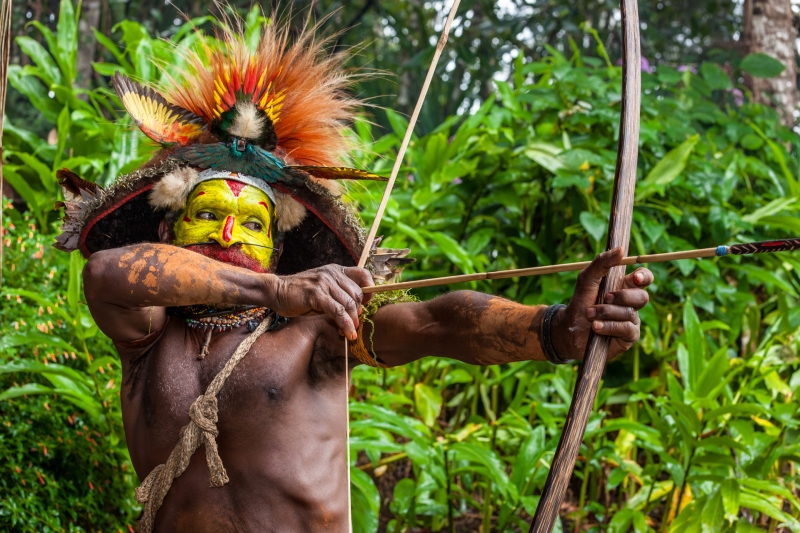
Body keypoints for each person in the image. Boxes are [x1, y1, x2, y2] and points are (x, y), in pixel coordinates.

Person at [56, 14, 653, 533]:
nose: (229, 236)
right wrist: (279, 290)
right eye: (208, 215)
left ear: (275, 244)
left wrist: (556, 329)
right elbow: (107, 272)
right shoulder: (146, 339)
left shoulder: (317, 333)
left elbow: (436, 322)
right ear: (165, 230)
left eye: (251, 224)